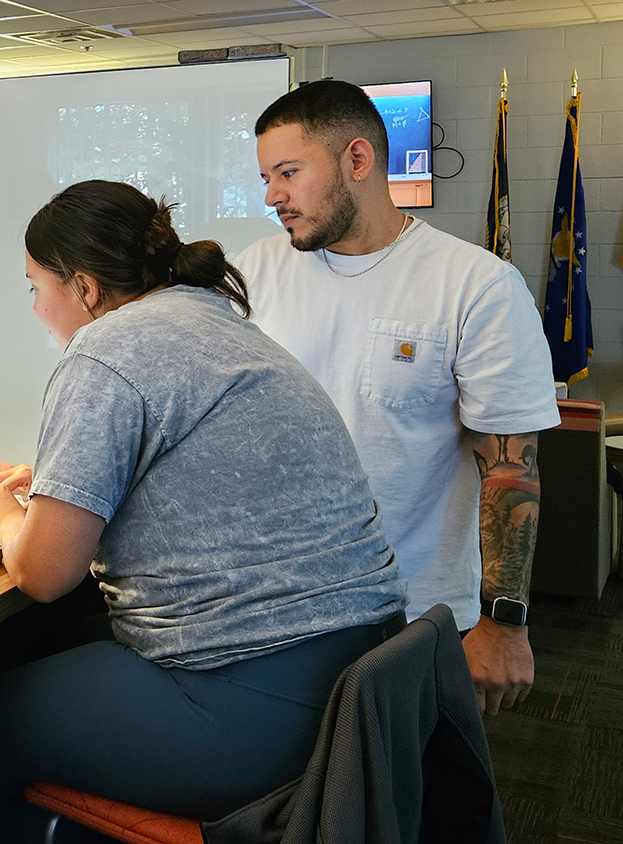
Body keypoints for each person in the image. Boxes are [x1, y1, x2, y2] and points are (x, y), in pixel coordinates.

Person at [0, 180, 407, 840]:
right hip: (356, 688)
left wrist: (1, 514)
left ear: (82, 288)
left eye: (36, 287)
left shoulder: (107, 347)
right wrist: (62, 481)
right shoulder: (215, 320)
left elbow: (44, 572)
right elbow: (204, 466)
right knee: (30, 651)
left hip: (246, 707)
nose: (35, 308)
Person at [235, 80, 560, 715]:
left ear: (357, 161)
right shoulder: (255, 272)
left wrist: (505, 621)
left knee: (415, 798)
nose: (272, 195)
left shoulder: (476, 284)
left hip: (417, 613)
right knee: (305, 805)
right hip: (279, 604)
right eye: (267, 176)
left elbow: (511, 471)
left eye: (288, 173)